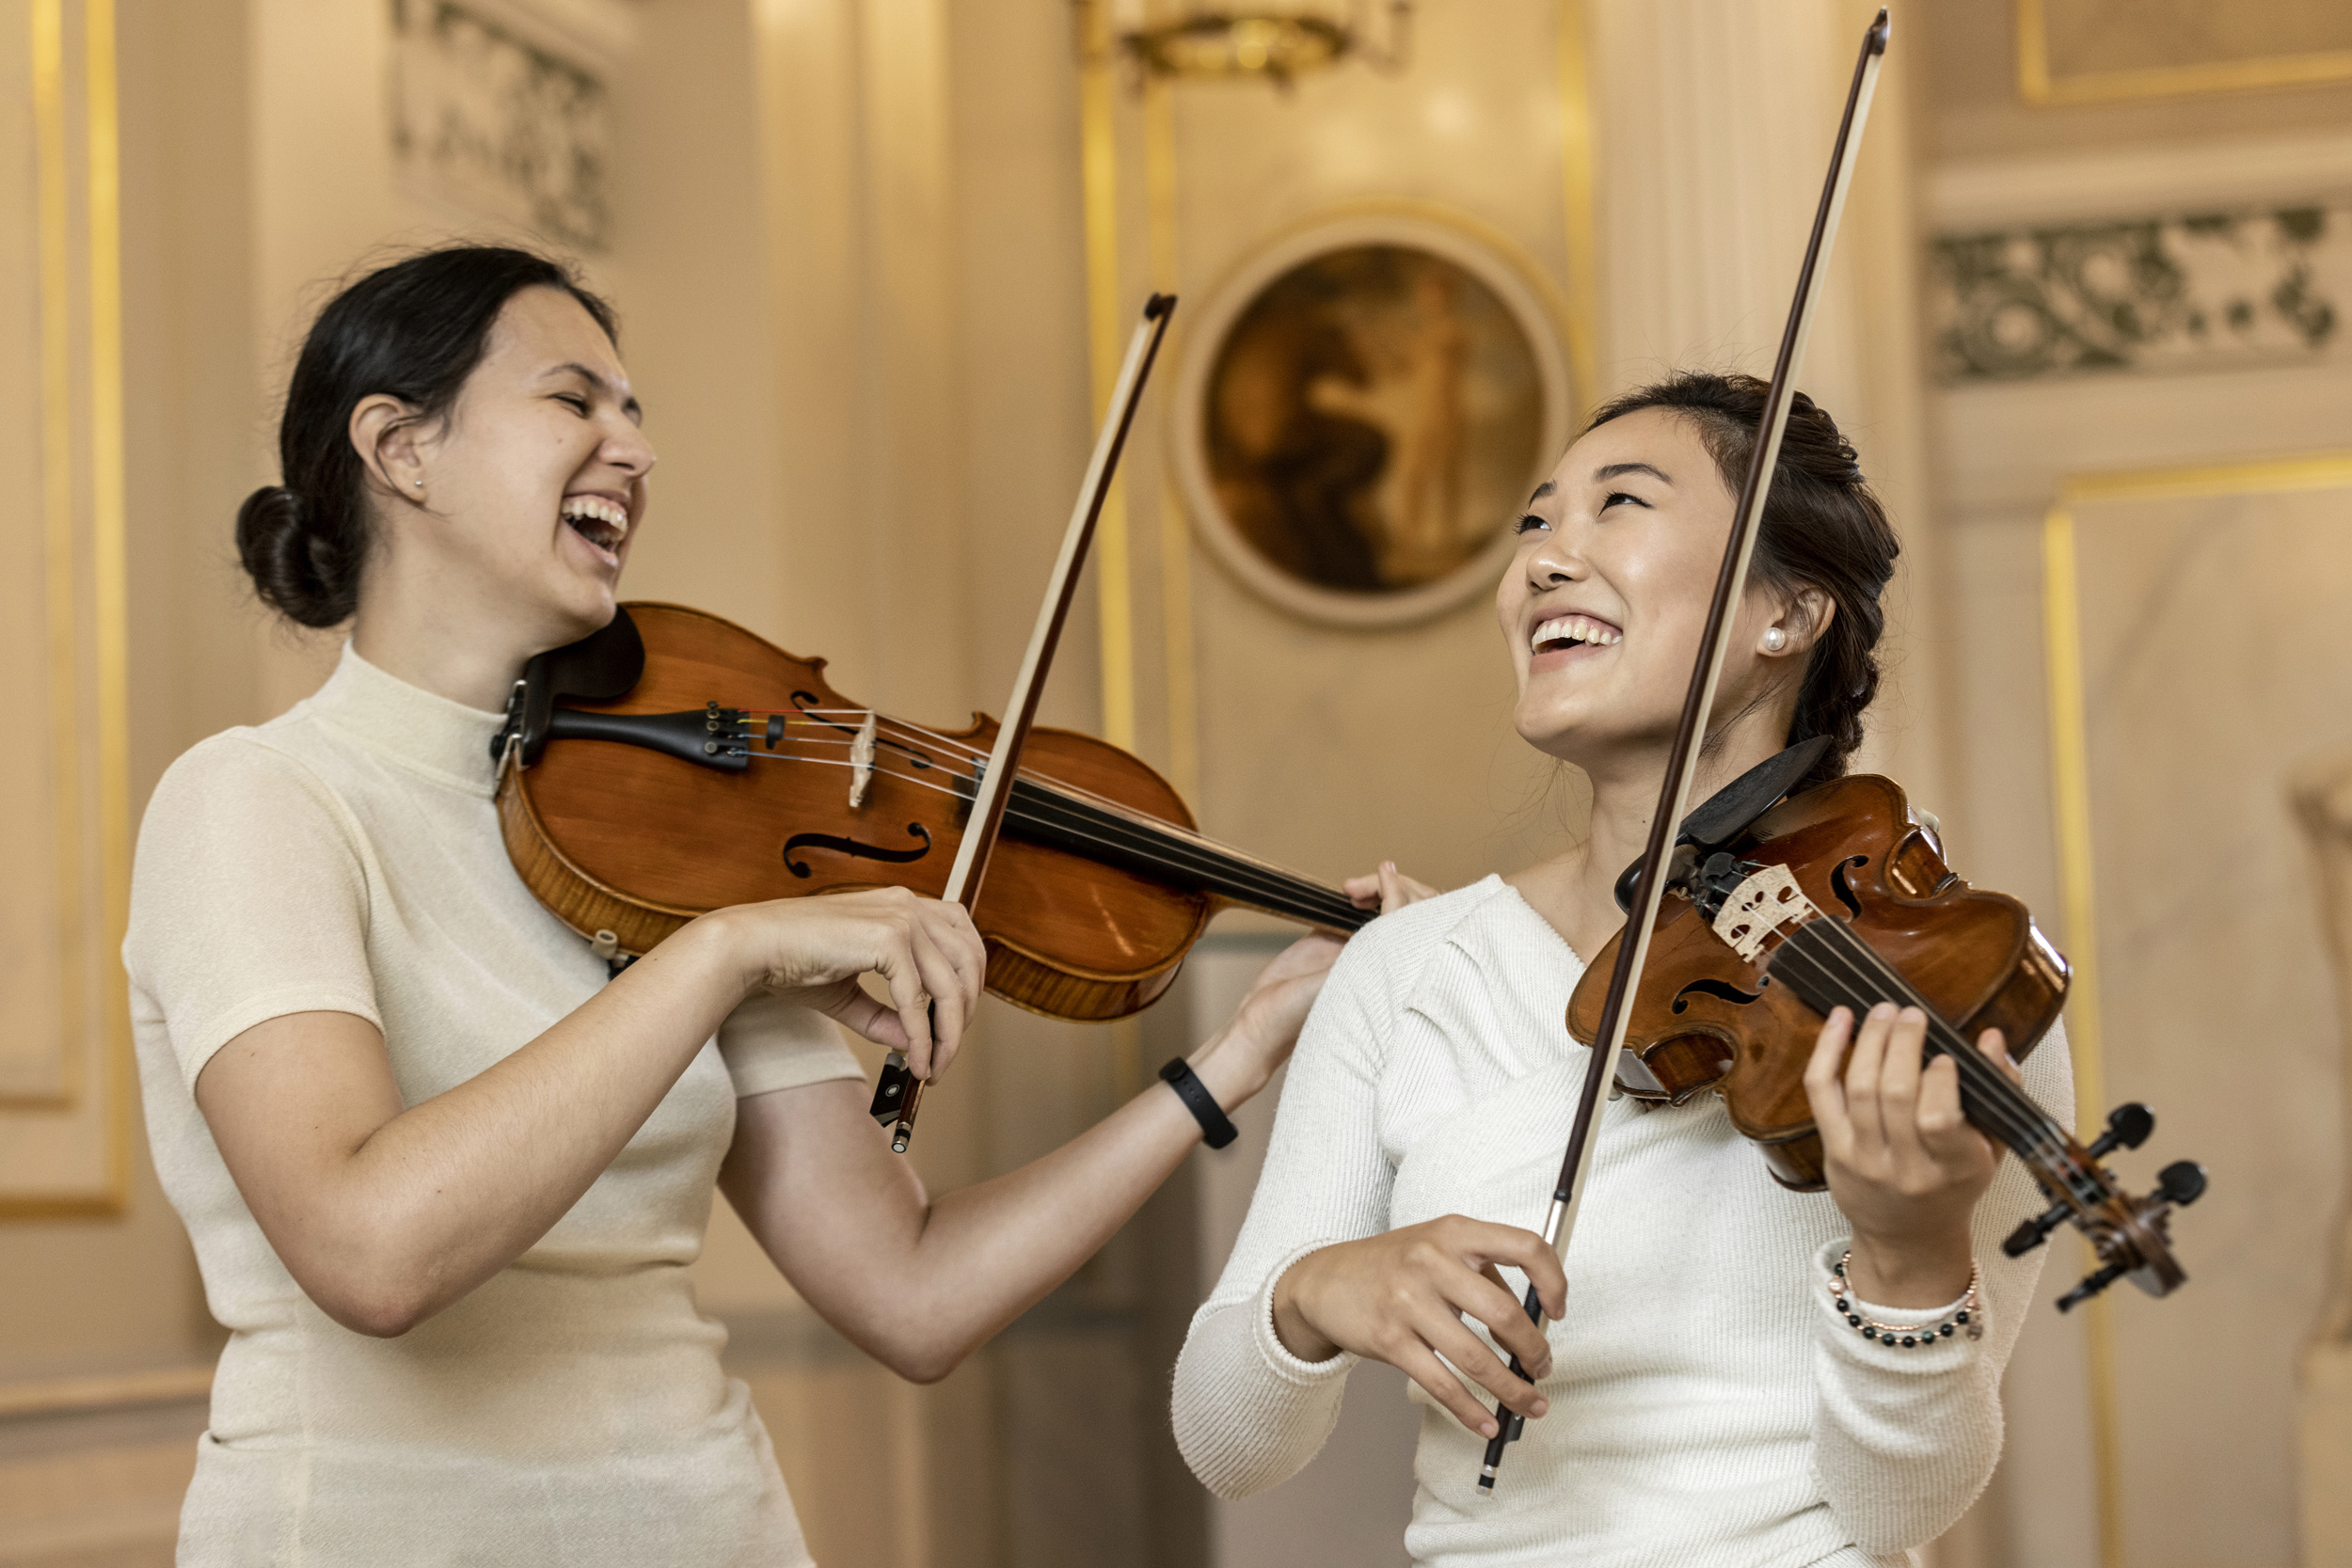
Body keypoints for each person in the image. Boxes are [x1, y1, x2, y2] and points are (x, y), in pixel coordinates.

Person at [124, 245, 1408, 1566]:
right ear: (401, 449)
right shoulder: (258, 800)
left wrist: (1233, 1055)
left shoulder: (676, 830)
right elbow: (372, 1253)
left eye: (636, 411)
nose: (636, 449)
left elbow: (911, 1289)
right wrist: (725, 951)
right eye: (574, 399)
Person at [1170, 372, 2072, 1566]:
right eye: (1535, 521)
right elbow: (1226, 1446)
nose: (1543, 560)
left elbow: (1896, 1510)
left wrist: (1913, 1259)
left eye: (1620, 504)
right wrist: (1313, 1290)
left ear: (1785, 612)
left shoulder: (1936, 978)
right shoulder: (1407, 968)